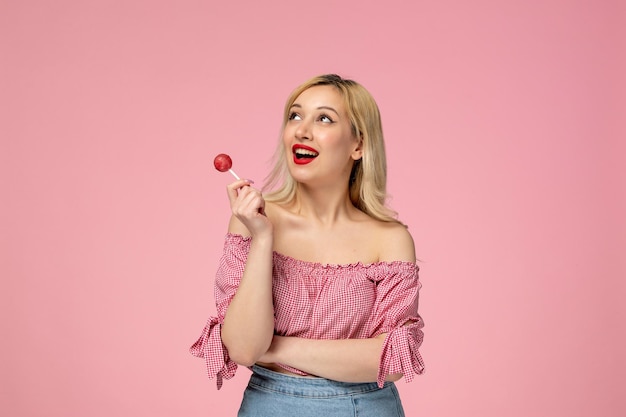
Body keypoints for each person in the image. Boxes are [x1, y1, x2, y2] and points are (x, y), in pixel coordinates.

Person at [190, 74, 425, 416]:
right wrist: (262, 238)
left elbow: (390, 360)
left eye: (324, 119)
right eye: (295, 116)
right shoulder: (255, 219)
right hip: (270, 406)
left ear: (358, 145)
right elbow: (243, 348)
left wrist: (275, 348)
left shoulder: (389, 239)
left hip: (366, 408)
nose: (301, 130)